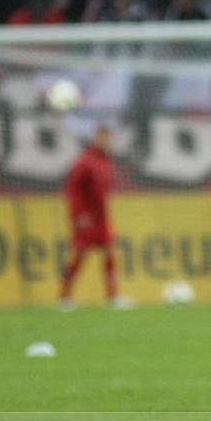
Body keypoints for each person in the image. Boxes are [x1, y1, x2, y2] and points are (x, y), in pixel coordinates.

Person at [59, 125, 128, 310]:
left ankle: (113, 296)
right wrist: (79, 214)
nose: (107, 142)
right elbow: (72, 189)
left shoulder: (105, 161)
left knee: (109, 254)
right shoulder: (85, 161)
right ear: (95, 139)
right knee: (79, 256)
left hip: (102, 219)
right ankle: (64, 297)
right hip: (86, 219)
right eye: (103, 138)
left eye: (109, 139)